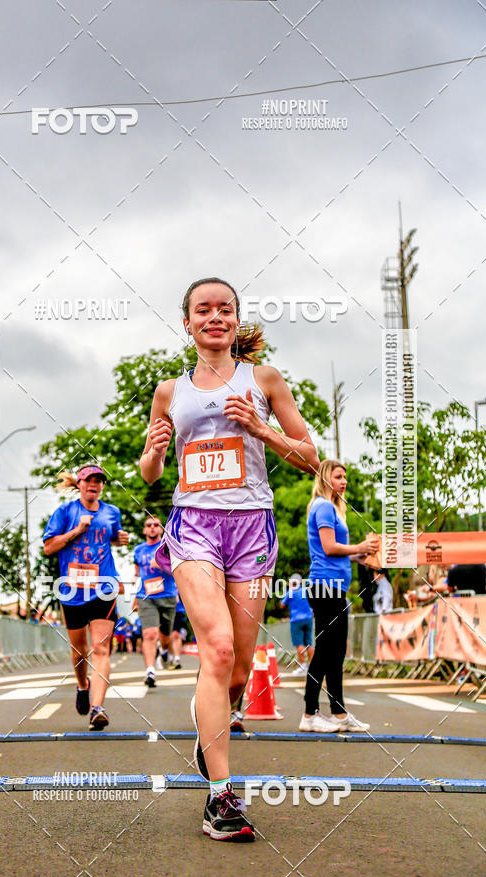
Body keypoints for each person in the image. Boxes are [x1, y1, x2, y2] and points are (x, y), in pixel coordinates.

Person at [140, 276, 319, 842]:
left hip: (252, 526)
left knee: (239, 669)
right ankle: (221, 797)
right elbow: (150, 474)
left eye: (225, 309)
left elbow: (311, 458)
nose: (214, 316)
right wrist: (154, 454)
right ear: (186, 322)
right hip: (193, 524)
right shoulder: (169, 391)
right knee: (215, 649)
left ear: (235, 321)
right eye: (202, 309)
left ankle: (210, 726)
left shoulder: (263, 380)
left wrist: (259, 428)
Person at [43, 463, 129, 730]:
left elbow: (109, 537)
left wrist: (119, 539)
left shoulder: (112, 512)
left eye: (99, 480)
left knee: (101, 649)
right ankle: (82, 685)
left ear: (102, 486)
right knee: (80, 652)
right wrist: (76, 531)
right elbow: (48, 547)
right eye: (88, 480)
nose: (94, 484)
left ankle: (97, 708)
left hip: (104, 586)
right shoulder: (65, 512)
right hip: (72, 590)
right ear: (78, 484)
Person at [299, 460, 377, 734]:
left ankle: (339, 713)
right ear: (325, 478)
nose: (344, 482)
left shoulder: (332, 508)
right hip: (324, 586)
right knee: (325, 650)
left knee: (335, 652)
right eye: (339, 476)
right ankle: (309, 713)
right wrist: (359, 546)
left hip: (334, 587)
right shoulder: (322, 506)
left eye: (346, 477)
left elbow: (335, 551)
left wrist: (359, 556)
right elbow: (329, 548)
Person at [133, 515, 179, 687]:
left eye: (156, 525)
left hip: (167, 594)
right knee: (149, 633)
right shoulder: (138, 550)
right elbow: (137, 573)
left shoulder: (168, 547)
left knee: (165, 636)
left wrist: (163, 565)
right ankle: (150, 671)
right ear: (144, 530)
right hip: (146, 596)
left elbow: (179, 569)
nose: (152, 527)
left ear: (161, 529)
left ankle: (164, 650)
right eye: (148, 525)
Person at [281, 580, 314, 673]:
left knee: (299, 643)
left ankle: (303, 666)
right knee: (309, 643)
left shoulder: (290, 592)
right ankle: (312, 666)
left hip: (296, 619)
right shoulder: (306, 590)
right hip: (308, 618)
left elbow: (282, 605)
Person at [169, 597, 187, 669]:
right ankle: (169, 657)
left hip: (178, 610)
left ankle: (177, 659)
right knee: (167, 636)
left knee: (176, 634)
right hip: (165, 608)